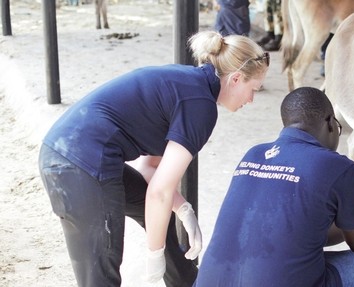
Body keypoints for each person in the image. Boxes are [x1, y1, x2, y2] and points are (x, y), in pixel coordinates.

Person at [38, 30, 270, 287]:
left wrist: (183, 209)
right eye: (254, 90)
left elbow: (150, 170)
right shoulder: (200, 106)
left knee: (148, 209)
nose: (251, 100)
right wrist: (154, 254)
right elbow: (159, 192)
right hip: (80, 162)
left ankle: (186, 282)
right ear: (236, 78)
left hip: (71, 152)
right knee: (101, 273)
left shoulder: (189, 83)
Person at [193, 87, 354, 287]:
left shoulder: (253, 154)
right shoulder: (341, 169)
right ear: (331, 123)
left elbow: (306, 232)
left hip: (210, 280)